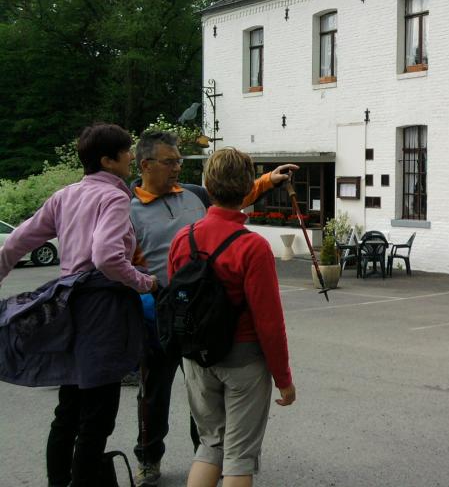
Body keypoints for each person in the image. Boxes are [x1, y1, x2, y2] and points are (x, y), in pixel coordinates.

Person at [130, 131, 296, 487]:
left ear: (208, 184)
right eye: (170, 161)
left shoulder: (185, 228)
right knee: (237, 456)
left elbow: (177, 296)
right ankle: (155, 458)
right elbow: (269, 321)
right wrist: (283, 378)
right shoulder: (252, 247)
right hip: (233, 352)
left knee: (210, 443)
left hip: (193, 346)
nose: (176, 167)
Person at [0, 123, 157, 487]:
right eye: (127, 151)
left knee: (68, 410)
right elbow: (106, 256)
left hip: (69, 306)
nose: (132, 157)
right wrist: (143, 282)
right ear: (108, 160)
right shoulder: (115, 198)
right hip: (103, 310)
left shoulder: (65, 195)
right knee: (97, 416)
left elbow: (14, 244)